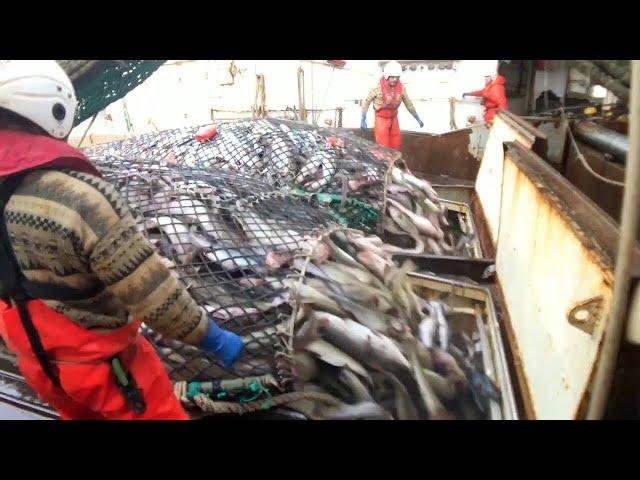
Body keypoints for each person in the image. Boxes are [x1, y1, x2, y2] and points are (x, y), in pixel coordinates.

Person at [0, 60, 243, 420]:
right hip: (106, 368)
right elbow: (154, 295)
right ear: (53, 112)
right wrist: (210, 336)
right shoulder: (78, 197)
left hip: (36, 362)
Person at [360, 61, 424, 150]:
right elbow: (366, 102)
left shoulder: (401, 88)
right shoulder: (377, 88)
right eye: (392, 77)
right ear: (387, 76)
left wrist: (417, 118)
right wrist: (363, 118)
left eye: (397, 77)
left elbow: (408, 104)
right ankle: (384, 163)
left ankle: (394, 162)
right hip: (381, 119)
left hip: (394, 118)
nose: (395, 79)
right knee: (383, 146)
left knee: (396, 144)